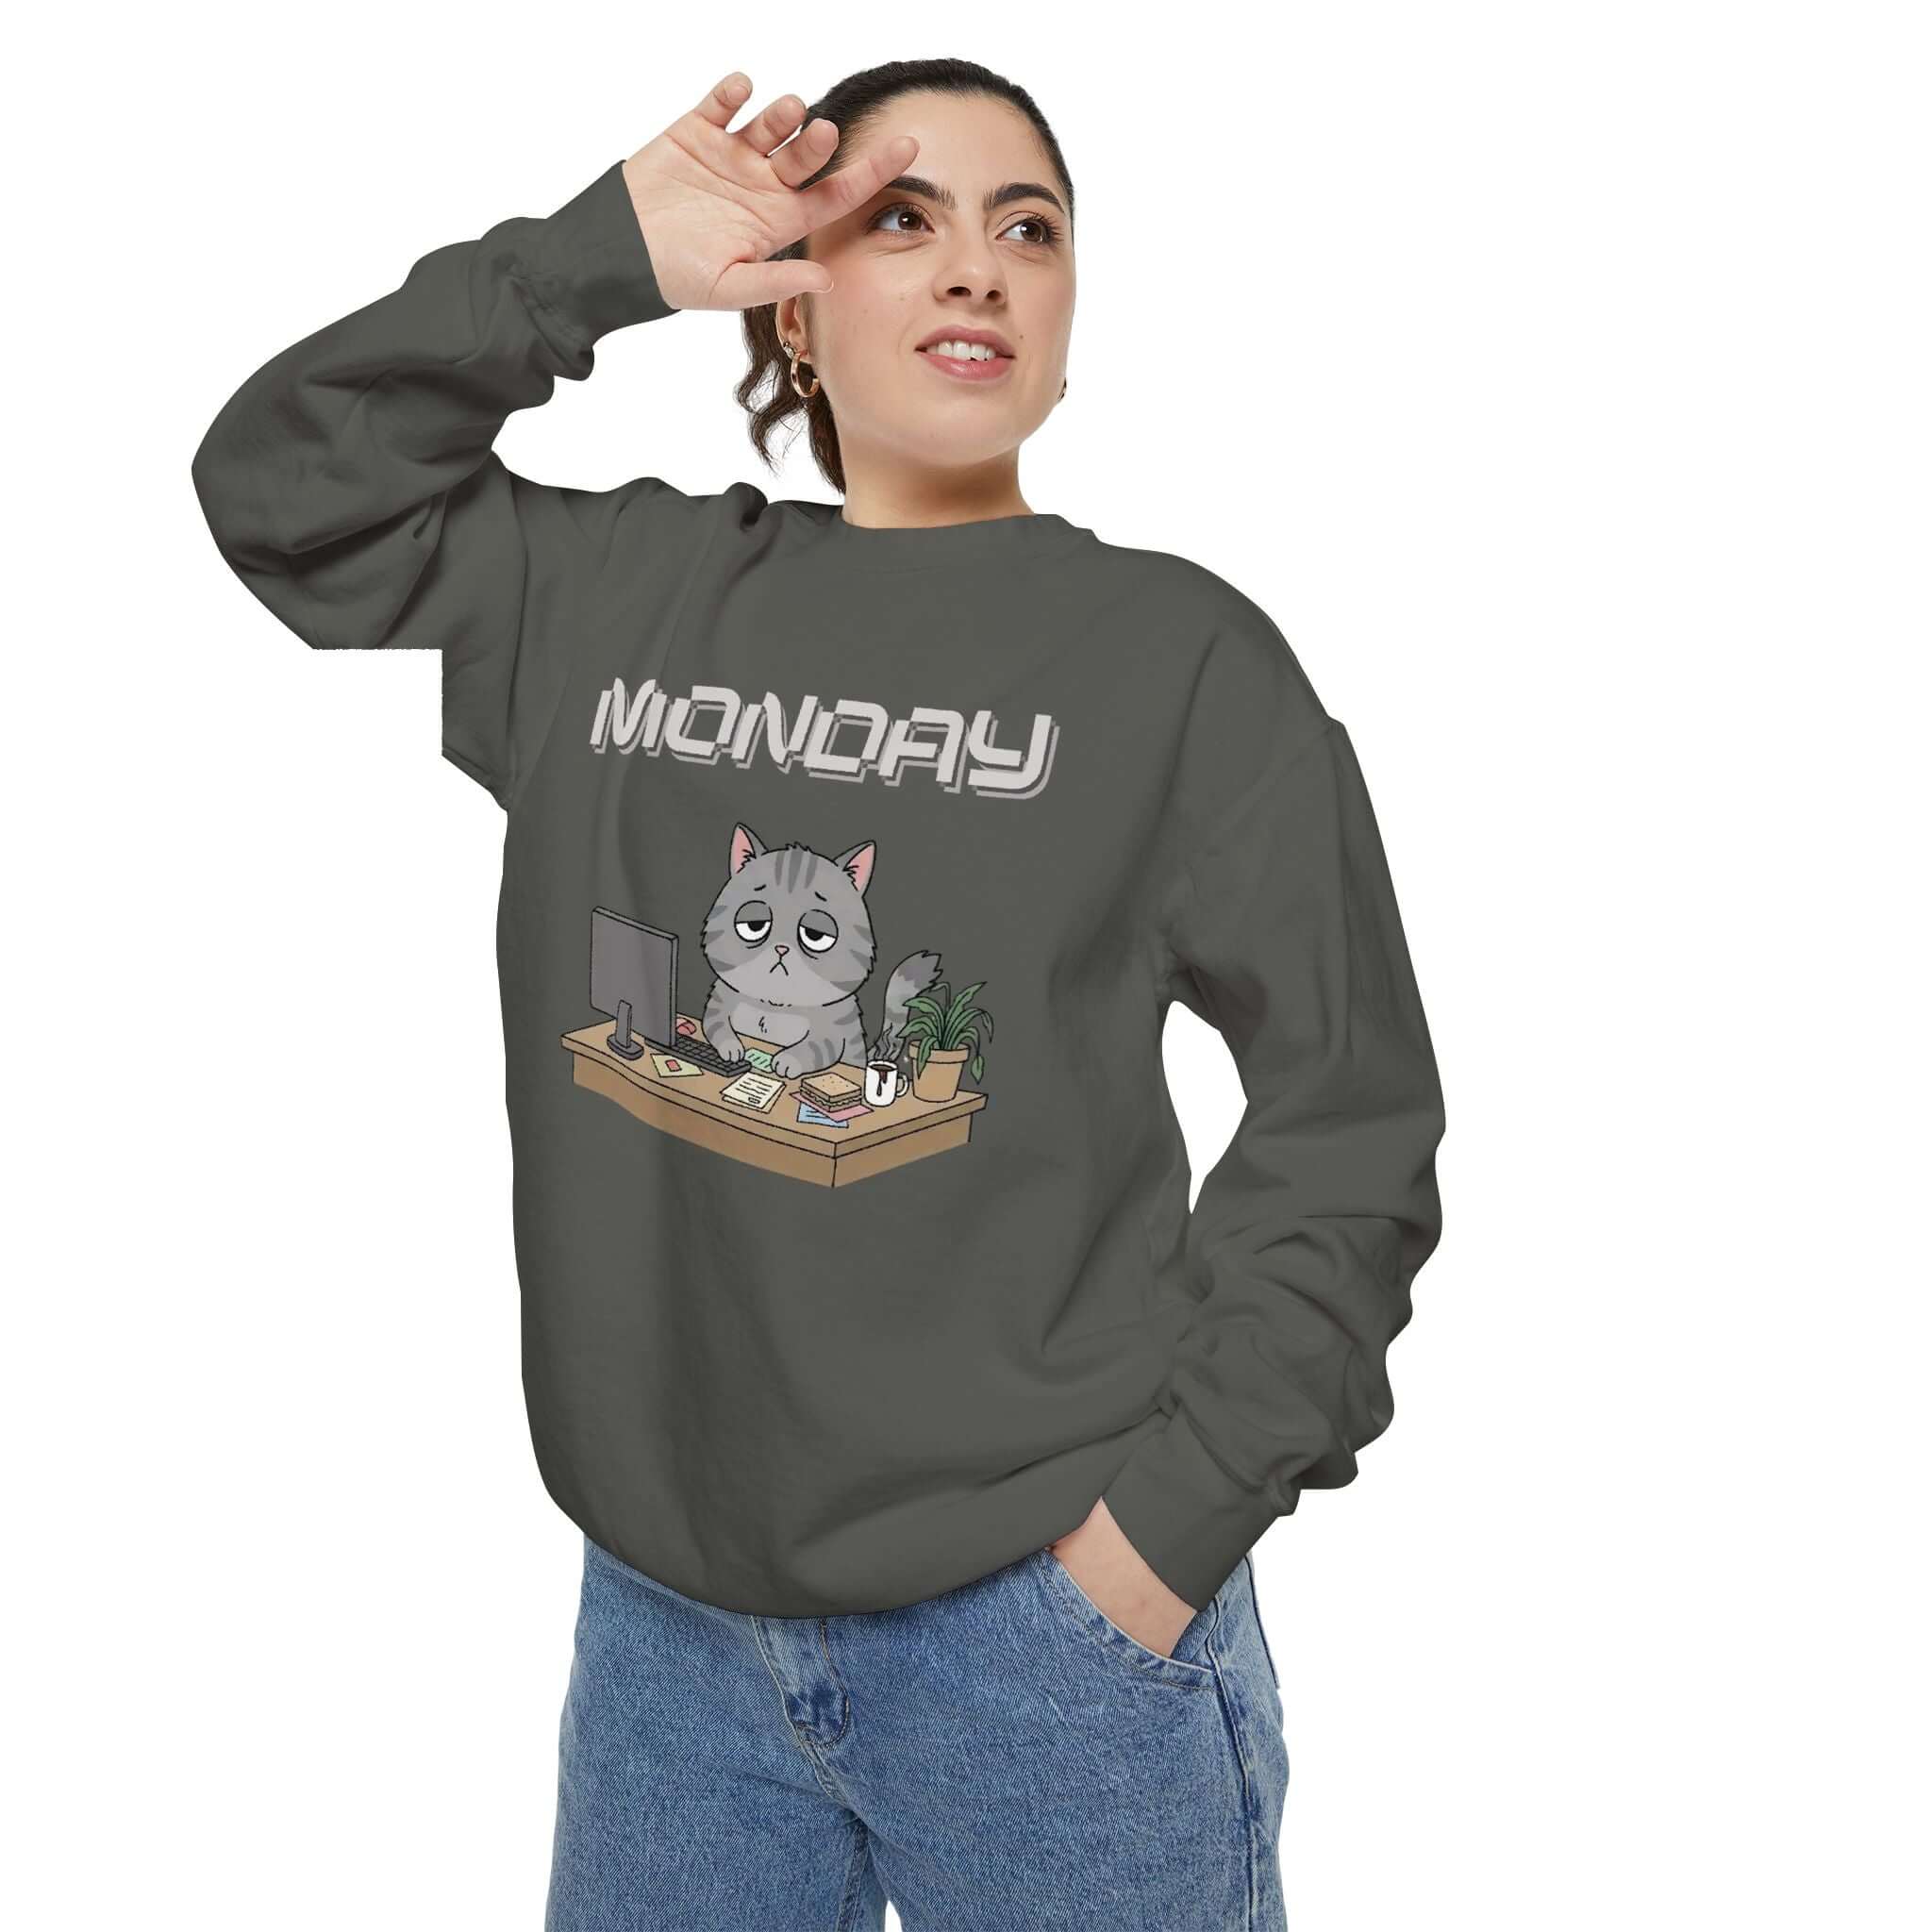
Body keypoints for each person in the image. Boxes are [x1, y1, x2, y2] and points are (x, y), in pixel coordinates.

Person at [191, 58, 1446, 1932]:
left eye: (1029, 228)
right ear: (790, 298)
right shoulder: (610, 598)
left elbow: (1350, 1119)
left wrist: (1163, 1536)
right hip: (666, 1639)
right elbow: (283, 490)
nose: (977, 267)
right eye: (901, 218)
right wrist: (593, 258)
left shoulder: (1182, 660)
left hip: (1048, 1641)